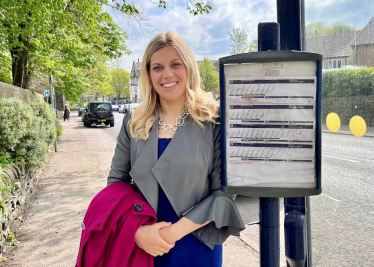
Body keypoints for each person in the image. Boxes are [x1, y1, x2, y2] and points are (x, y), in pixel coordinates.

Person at [107, 32, 244, 267]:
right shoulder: (134, 121)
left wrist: (169, 235)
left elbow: (223, 192)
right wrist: (137, 232)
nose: (167, 74)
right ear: (149, 75)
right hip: (142, 243)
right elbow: (116, 184)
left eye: (175, 64)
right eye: (157, 67)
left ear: (188, 67)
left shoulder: (214, 119)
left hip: (196, 243)